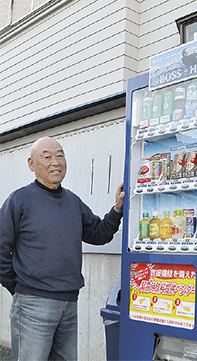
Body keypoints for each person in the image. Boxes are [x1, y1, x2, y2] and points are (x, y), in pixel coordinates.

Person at [0, 136, 125, 361]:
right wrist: (19, 288)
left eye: (60, 155)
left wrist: (116, 210)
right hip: (32, 303)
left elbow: (98, 233)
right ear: (32, 164)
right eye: (46, 156)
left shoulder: (72, 202)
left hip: (69, 303)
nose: (55, 161)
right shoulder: (19, 200)